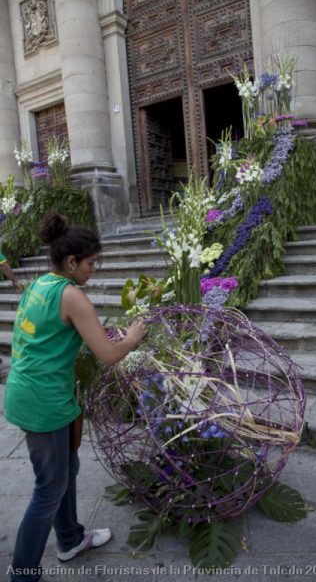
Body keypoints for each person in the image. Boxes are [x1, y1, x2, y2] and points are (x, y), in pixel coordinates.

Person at [4, 213, 147, 582]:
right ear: (71, 263)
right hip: (43, 401)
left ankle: (69, 539)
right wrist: (132, 336)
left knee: (67, 470)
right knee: (48, 489)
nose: (93, 270)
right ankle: (22, 574)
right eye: (91, 263)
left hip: (34, 390)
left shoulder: (39, 285)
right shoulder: (73, 296)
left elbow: (52, 336)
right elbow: (110, 355)